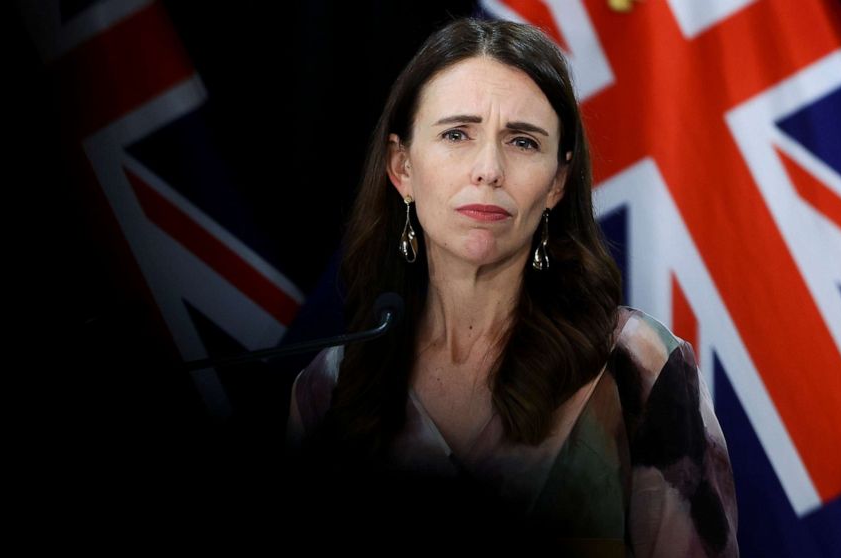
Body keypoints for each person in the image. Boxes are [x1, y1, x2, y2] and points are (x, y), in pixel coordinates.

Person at [283, 16, 738, 557]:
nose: (489, 169)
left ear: (557, 183)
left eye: (522, 142)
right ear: (402, 168)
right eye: (457, 134)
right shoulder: (330, 388)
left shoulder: (636, 363)